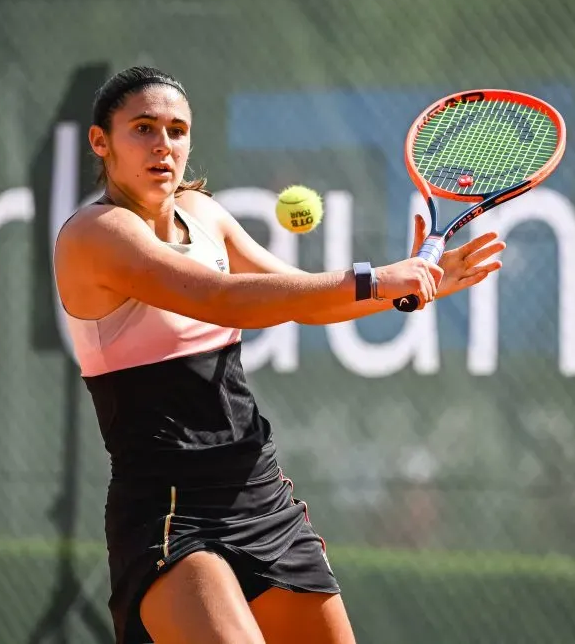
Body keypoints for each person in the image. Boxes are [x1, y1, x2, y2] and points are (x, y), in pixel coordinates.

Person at [52, 65, 506, 644]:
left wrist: (409, 288)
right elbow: (220, 298)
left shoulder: (206, 215)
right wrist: (379, 278)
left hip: (261, 494)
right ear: (101, 142)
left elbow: (305, 302)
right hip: (171, 510)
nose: (163, 145)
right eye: (142, 128)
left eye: (176, 130)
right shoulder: (96, 234)